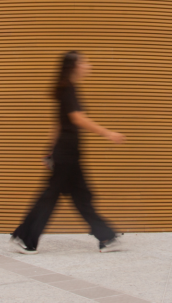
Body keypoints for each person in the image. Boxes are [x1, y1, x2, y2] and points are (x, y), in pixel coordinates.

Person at [11, 51, 126, 254]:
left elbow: (57, 124)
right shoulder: (68, 90)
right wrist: (107, 133)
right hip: (67, 156)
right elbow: (77, 119)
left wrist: (50, 150)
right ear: (74, 66)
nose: (88, 64)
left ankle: (106, 236)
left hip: (67, 153)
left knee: (80, 196)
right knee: (53, 197)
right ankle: (25, 237)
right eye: (84, 61)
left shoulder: (67, 88)